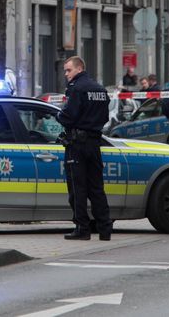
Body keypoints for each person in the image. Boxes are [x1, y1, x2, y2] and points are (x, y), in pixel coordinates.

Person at [56, 56, 112, 241]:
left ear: (79, 69)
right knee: (97, 187)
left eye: (68, 70)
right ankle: (105, 229)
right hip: (95, 143)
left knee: (77, 188)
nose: (66, 74)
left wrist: (59, 115)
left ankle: (82, 228)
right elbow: (105, 118)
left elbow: (68, 116)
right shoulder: (100, 89)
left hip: (77, 145)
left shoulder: (76, 89)